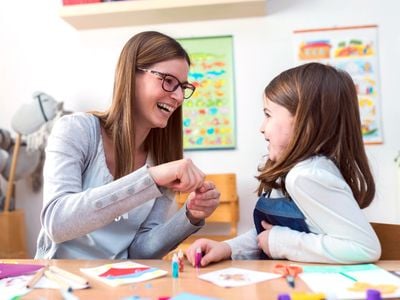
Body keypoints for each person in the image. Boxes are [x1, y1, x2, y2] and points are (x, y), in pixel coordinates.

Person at [35, 31, 220, 259]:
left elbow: (140, 251)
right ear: (131, 76)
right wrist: (149, 179)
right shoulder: (77, 130)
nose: (179, 97)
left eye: (183, 87)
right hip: (59, 283)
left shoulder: (161, 158)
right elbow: (57, 222)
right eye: (168, 81)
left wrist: (189, 216)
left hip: (119, 283)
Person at [186, 62, 381, 265]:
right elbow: (270, 232)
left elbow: (364, 248)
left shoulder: (308, 175)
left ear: (306, 122)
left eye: (268, 115)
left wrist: (281, 241)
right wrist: (227, 248)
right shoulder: (293, 171)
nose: (262, 128)